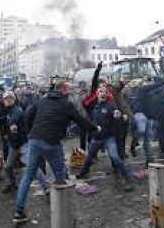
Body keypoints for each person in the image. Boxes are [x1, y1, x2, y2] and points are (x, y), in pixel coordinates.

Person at [13, 80, 100, 223]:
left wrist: (31, 132)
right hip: (52, 142)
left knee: (28, 175)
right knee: (60, 174)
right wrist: (95, 128)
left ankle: (18, 211)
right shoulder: (66, 104)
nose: (70, 91)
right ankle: (64, 211)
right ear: (63, 90)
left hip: (34, 140)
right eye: (68, 89)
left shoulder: (43, 100)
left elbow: (27, 115)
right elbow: (80, 121)